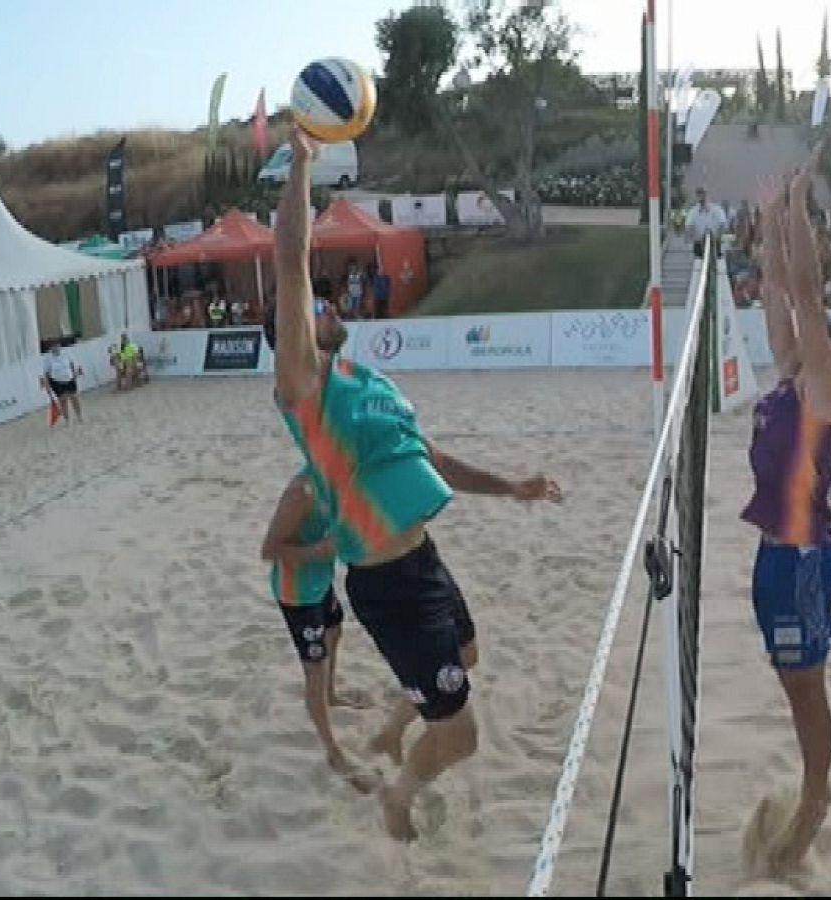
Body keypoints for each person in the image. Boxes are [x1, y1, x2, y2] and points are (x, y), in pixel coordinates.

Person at [268, 133, 563, 842]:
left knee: (468, 654)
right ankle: (397, 794)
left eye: (330, 304)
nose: (326, 307)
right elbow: (288, 263)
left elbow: (430, 458)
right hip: (386, 584)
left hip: (423, 560)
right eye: (316, 308)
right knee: (461, 738)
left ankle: (390, 733)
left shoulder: (373, 385)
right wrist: (304, 165)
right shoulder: (306, 389)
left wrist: (512, 488)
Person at [741, 149, 831, 878]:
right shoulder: (794, 373)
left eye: (829, 336)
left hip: (802, 555)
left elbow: (808, 292)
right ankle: (811, 788)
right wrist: (766, 222)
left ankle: (816, 797)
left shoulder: (826, 384)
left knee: (806, 684)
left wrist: (796, 209)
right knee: (791, 679)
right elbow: (777, 294)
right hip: (773, 551)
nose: (816, 334)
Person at [259, 469, 375, 793]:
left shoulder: (345, 482)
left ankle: (331, 695)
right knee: (314, 669)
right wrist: (318, 552)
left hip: (321, 582)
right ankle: (333, 752)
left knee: (335, 632)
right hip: (297, 593)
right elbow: (268, 550)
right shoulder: (302, 491)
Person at [41, 341, 82, 424]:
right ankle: (67, 420)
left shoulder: (66, 354)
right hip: (57, 382)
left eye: (57, 346)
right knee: (63, 401)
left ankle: (79, 416)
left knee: (74, 398)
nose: (55, 348)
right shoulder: (48, 359)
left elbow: (72, 364)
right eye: (53, 346)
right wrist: (47, 386)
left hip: (69, 379)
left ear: (59, 346)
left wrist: (74, 374)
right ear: (51, 348)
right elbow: (46, 374)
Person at [684, 187, 729, 258]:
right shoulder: (693, 211)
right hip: (699, 243)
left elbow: (723, 225)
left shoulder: (717, 210)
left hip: (714, 243)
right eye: (698, 194)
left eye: (702, 193)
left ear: (707, 195)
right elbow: (689, 227)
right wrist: (694, 238)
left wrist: (717, 237)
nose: (701, 196)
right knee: (699, 263)